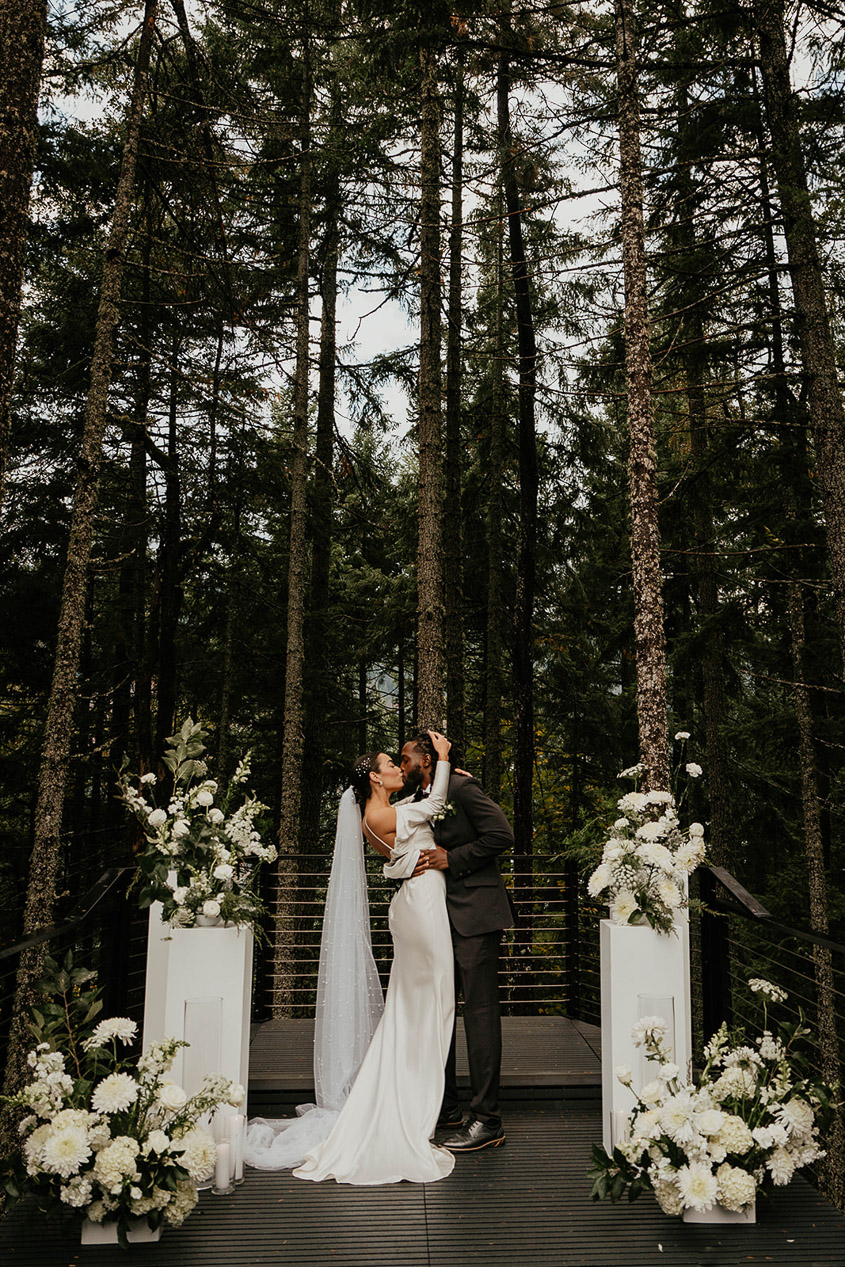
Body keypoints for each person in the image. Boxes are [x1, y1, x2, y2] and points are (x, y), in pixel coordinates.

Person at [292, 729, 456, 1185]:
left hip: (416, 900)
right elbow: (434, 807)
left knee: (415, 1008)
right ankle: (410, 1105)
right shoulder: (379, 814)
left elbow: (413, 822)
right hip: (421, 906)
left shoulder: (385, 810)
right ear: (374, 778)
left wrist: (444, 775)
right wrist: (441, 758)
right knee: (433, 1004)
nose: (399, 769)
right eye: (391, 765)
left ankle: (409, 1094)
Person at [399, 733, 514, 1152]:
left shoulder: (463, 788)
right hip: (440, 918)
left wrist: (454, 858)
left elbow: (502, 834)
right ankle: (446, 1106)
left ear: (426, 759)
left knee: (479, 1016)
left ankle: (487, 1120)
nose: (402, 763)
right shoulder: (423, 795)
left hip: (477, 915)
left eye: (406, 757)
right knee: (440, 1010)